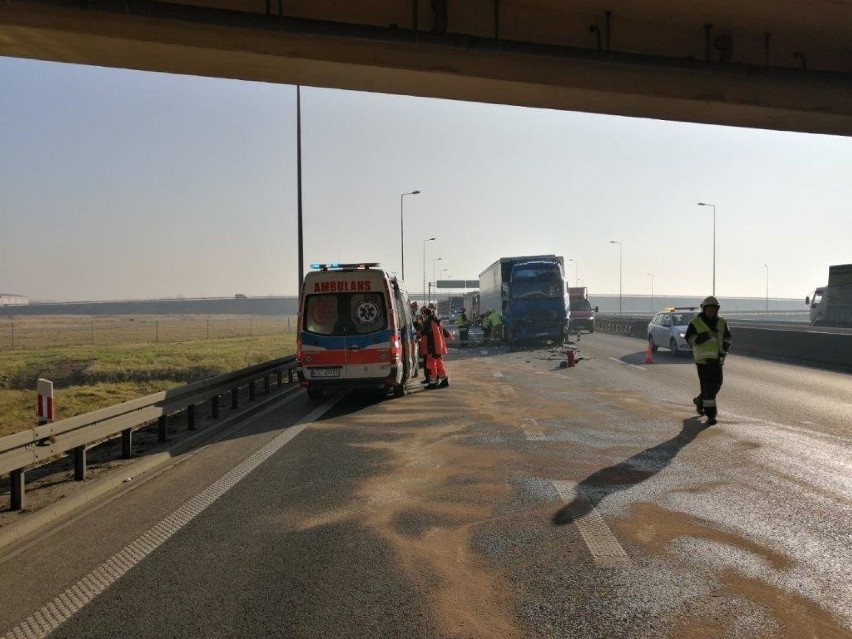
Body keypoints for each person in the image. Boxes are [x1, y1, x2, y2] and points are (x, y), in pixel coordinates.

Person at [684, 296, 732, 426]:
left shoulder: (722, 322)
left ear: (717, 310)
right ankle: (711, 415)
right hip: (703, 361)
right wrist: (706, 336)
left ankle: (700, 400)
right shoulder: (696, 322)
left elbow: (727, 338)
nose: (711, 312)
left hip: (717, 359)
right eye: (709, 309)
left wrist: (724, 350)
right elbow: (689, 339)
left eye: (713, 309)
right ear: (704, 309)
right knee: (708, 388)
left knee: (717, 385)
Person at [420, 307, 449, 388]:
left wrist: (420, 329)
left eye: (423, 314)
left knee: (431, 364)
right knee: (439, 363)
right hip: (438, 345)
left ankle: (433, 382)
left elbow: (425, 332)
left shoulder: (428, 322)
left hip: (432, 346)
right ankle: (444, 380)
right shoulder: (437, 321)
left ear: (425, 314)